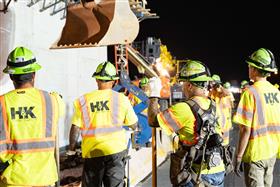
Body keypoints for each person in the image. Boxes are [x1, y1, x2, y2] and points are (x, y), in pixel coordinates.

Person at [148, 60, 225, 187]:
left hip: (196, 174)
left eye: (184, 83)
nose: (182, 87)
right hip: (218, 170)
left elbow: (153, 120)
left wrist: (153, 95)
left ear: (189, 85)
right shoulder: (215, 106)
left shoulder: (184, 108)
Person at [0, 47, 64, 187]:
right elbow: (61, 108)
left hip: (13, 179)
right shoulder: (52, 100)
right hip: (45, 179)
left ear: (11, 76)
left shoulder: (1, 103)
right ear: (34, 73)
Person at [68, 61, 138, 187]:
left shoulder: (83, 100)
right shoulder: (121, 99)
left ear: (97, 80)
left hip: (93, 152)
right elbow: (133, 124)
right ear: (113, 81)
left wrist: (71, 150)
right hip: (115, 152)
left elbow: (75, 127)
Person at [233, 48, 280, 187]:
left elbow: (245, 130)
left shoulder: (250, 93)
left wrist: (239, 156)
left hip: (255, 154)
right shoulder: (276, 92)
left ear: (254, 69)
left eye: (249, 66)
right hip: (271, 152)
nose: (248, 69)